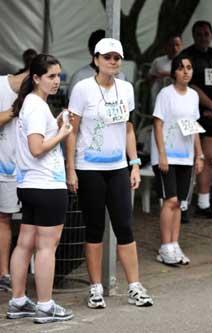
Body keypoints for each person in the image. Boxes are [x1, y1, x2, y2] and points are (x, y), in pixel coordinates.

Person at [66, 38, 153, 308]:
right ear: (96, 59)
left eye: (117, 57)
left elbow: (127, 128)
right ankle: (95, 288)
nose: (113, 61)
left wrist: (135, 163)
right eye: (107, 57)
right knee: (94, 228)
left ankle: (135, 286)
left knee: (124, 226)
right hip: (89, 168)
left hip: (118, 168)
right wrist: (70, 168)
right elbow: (73, 129)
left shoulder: (126, 88)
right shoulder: (83, 88)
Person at [7, 54, 73, 323]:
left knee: (25, 244)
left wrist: (55, 126)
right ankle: (45, 305)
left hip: (30, 184)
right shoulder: (35, 106)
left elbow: (37, 141)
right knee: (47, 247)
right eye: (50, 76)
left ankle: (18, 300)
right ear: (36, 78)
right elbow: (36, 148)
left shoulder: (32, 104)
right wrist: (63, 133)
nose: (56, 81)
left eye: (58, 75)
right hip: (46, 185)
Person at [151, 55, 204, 265]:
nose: (186, 71)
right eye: (181, 68)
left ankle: (174, 244)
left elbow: (194, 128)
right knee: (170, 200)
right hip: (167, 156)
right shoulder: (166, 94)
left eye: (189, 67)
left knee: (180, 203)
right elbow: (158, 124)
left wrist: (198, 155)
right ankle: (164, 246)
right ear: (174, 72)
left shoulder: (193, 96)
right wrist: (162, 154)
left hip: (186, 156)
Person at [179, 20, 212, 220]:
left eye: (206, 33)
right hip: (193, 113)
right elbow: (190, 85)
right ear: (194, 35)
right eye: (199, 33)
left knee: (208, 158)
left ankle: (203, 203)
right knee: (189, 158)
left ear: (211, 34)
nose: (203, 36)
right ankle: (182, 205)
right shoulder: (187, 56)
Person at [0, 57, 34, 291]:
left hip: (18, 167)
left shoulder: (35, 97)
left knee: (9, 219)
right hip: (3, 164)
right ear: (33, 74)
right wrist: (14, 111)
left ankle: (8, 273)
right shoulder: (1, 85)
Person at [67, 29, 125, 99]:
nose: (112, 61)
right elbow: (72, 107)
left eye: (116, 58)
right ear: (91, 50)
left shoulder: (122, 78)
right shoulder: (79, 77)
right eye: (106, 57)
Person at [148, 35, 183, 106]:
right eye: (171, 45)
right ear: (166, 46)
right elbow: (150, 78)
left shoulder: (185, 62)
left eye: (177, 45)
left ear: (181, 46)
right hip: (160, 94)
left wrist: (168, 74)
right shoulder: (158, 61)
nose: (174, 48)